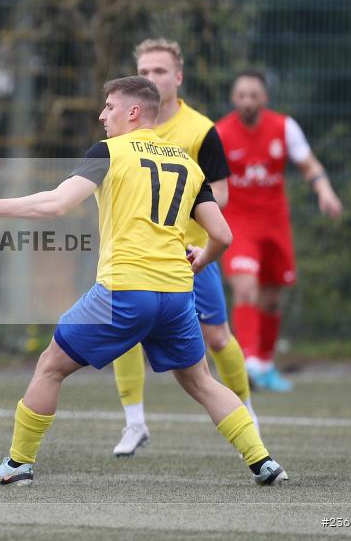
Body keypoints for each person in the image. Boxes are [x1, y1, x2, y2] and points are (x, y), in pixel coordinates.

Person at [0, 76, 286, 487]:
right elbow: (222, 235)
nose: (102, 115)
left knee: (49, 367)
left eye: (110, 107)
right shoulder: (188, 165)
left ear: (133, 112)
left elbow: (58, 203)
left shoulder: (109, 152)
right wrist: (200, 261)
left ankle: (18, 465)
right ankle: (262, 461)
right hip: (175, 294)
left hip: (124, 291)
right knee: (201, 381)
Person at [108, 39, 257, 458]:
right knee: (125, 335)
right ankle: (134, 421)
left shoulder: (200, 129)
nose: (151, 78)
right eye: (144, 72)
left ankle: (247, 410)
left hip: (191, 254)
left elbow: (221, 195)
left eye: (159, 71)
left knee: (218, 339)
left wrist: (182, 205)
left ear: (178, 77)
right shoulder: (124, 128)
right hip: (138, 255)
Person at [216, 71, 343, 392]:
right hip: (239, 224)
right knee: (245, 289)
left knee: (272, 299)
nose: (247, 101)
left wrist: (325, 191)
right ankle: (246, 366)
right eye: (241, 95)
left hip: (274, 224)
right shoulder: (219, 133)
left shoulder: (284, 127)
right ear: (234, 98)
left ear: (264, 98)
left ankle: (265, 364)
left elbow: (310, 165)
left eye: (253, 95)